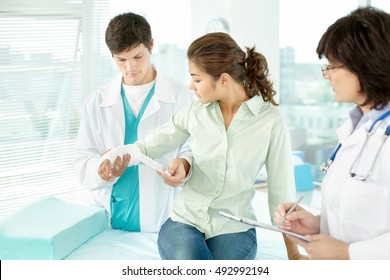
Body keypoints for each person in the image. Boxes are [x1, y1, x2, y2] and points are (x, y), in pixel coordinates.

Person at [99, 32, 304, 260]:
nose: (190, 86)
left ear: (224, 80)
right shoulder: (195, 112)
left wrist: (293, 253)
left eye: (197, 79)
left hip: (234, 228)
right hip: (184, 222)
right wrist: (114, 156)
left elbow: (282, 191)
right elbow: (149, 146)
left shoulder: (270, 121)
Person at [275, 6, 390, 260]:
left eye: (332, 66)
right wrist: (317, 223)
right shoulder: (358, 128)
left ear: (364, 66)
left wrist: (347, 253)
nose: (327, 76)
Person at [75, 12, 193, 233]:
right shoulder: (96, 102)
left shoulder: (181, 96)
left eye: (138, 57)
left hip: (163, 220)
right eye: (121, 59)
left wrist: (185, 166)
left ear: (151, 45)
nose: (130, 68)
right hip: (108, 224)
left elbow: (191, 148)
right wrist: (99, 169)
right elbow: (83, 160)